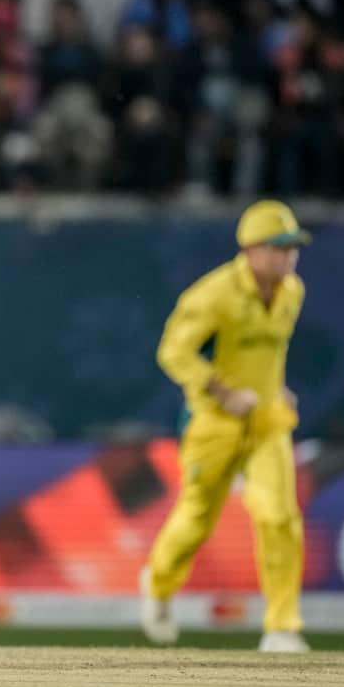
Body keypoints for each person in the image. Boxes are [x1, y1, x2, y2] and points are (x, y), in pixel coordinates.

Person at [140, 200, 312, 654]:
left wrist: (276, 387)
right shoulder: (213, 295)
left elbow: (269, 353)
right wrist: (222, 392)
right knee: (197, 520)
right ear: (251, 249)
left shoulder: (292, 292)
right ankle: (157, 585)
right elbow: (173, 352)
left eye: (293, 247)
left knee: (280, 517)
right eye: (280, 247)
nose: (289, 256)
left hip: (268, 422)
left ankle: (282, 628)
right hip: (213, 423)